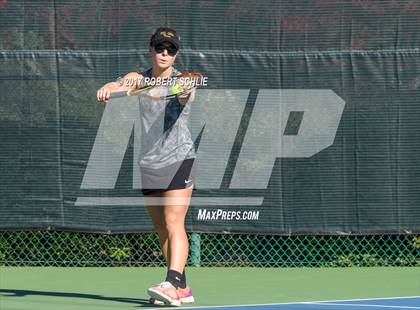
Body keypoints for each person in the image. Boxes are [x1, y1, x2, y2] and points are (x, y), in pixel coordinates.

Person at [97, 27, 196, 307]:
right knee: (162, 230)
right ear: (151, 49)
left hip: (179, 158)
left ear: (176, 54)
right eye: (160, 48)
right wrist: (110, 87)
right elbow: (127, 82)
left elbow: (186, 95)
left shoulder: (183, 81)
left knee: (174, 222)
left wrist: (180, 91)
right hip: (149, 162)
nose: (165, 53)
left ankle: (172, 282)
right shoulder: (139, 77)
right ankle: (183, 288)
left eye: (171, 49)